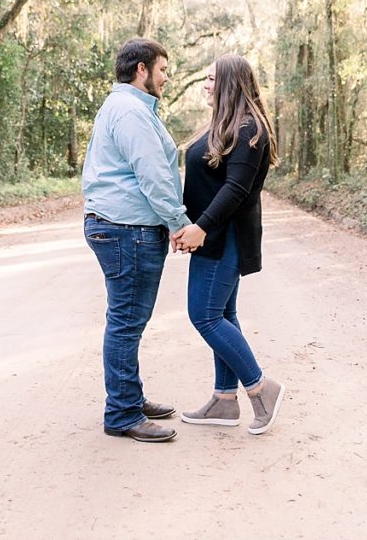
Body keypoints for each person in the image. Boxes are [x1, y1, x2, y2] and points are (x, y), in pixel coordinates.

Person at [82, 37, 191, 443]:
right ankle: (122, 413)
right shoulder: (130, 111)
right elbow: (153, 175)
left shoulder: (126, 108)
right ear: (141, 69)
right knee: (126, 322)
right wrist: (178, 222)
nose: (166, 77)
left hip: (123, 226)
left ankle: (129, 396)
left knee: (129, 320)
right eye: (162, 69)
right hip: (127, 229)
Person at [171, 54, 286, 435]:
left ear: (230, 83)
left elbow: (236, 189)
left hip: (225, 238)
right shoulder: (226, 124)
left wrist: (201, 228)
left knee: (204, 315)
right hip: (212, 236)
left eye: (210, 78)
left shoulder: (250, 128)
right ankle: (224, 400)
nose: (205, 84)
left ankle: (261, 389)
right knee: (222, 315)